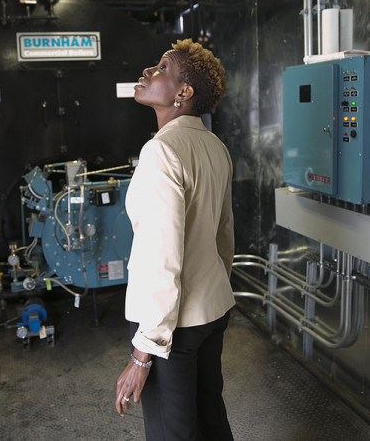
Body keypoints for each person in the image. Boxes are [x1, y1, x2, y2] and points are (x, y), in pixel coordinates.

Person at [114, 38, 235, 441]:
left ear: (184, 93)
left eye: (162, 68)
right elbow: (224, 236)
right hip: (211, 310)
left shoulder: (162, 150)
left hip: (174, 327)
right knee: (209, 419)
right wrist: (215, 287)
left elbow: (161, 256)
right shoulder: (215, 146)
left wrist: (142, 354)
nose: (148, 72)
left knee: (173, 433)